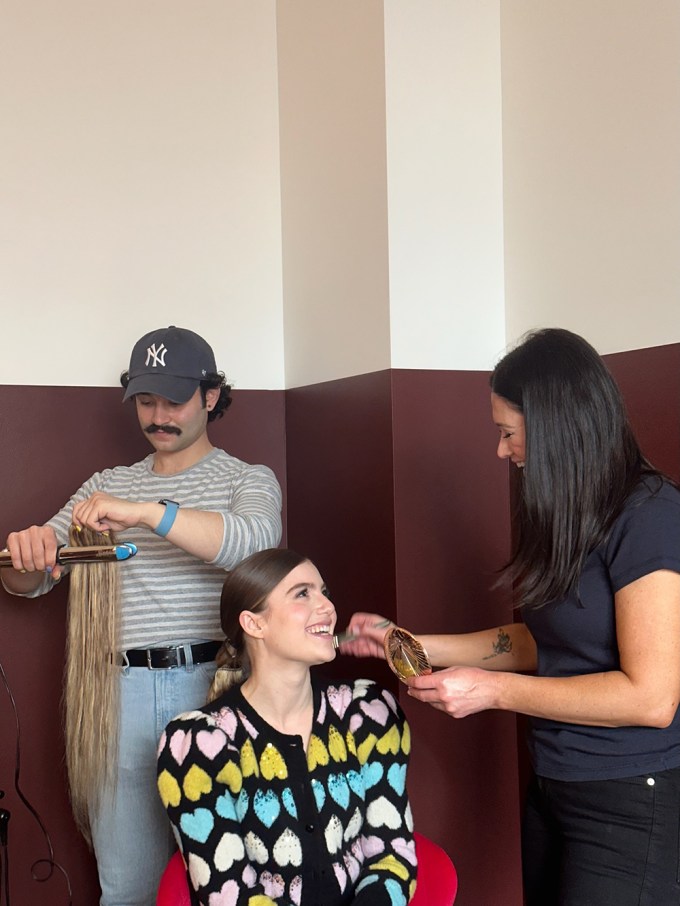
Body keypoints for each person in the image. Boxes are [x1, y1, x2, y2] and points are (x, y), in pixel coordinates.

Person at [341, 328, 680, 906]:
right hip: (556, 786)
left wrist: (494, 692)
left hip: (631, 800)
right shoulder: (570, 513)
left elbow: (651, 698)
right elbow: (539, 643)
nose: (501, 450)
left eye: (507, 432)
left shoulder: (650, 515)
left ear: (556, 427)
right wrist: (413, 642)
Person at [1, 325, 283, 906]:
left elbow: (254, 547)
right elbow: (29, 582)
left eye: (174, 400)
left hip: (217, 690)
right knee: (127, 887)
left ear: (210, 397)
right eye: (146, 401)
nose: (158, 416)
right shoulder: (105, 486)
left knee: (230, 880)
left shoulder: (245, 479)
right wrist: (27, 556)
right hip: (117, 694)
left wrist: (144, 512)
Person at [157, 548, 416, 906]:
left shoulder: (368, 713)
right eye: (302, 593)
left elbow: (392, 854)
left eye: (324, 592)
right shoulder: (198, 744)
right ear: (254, 623)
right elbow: (226, 892)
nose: (327, 606)